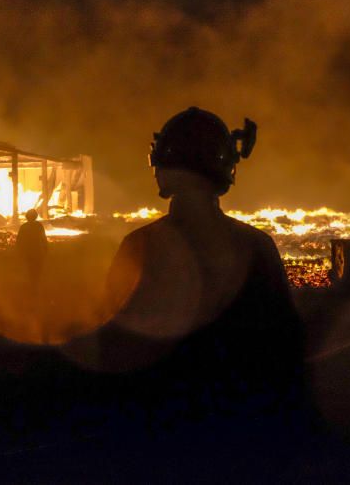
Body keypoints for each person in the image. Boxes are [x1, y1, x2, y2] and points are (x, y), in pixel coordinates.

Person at [98, 107, 305, 451]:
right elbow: (286, 341)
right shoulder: (256, 245)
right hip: (240, 426)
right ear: (225, 169)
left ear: (165, 168)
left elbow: (113, 334)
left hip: (157, 428)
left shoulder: (139, 245)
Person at [16, 208, 48, 290]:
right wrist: (46, 249)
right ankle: (35, 286)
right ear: (35, 216)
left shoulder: (24, 227)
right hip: (38, 252)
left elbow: (19, 241)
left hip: (29, 252)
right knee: (37, 270)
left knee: (30, 270)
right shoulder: (39, 226)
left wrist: (19, 252)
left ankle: (31, 286)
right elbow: (43, 239)